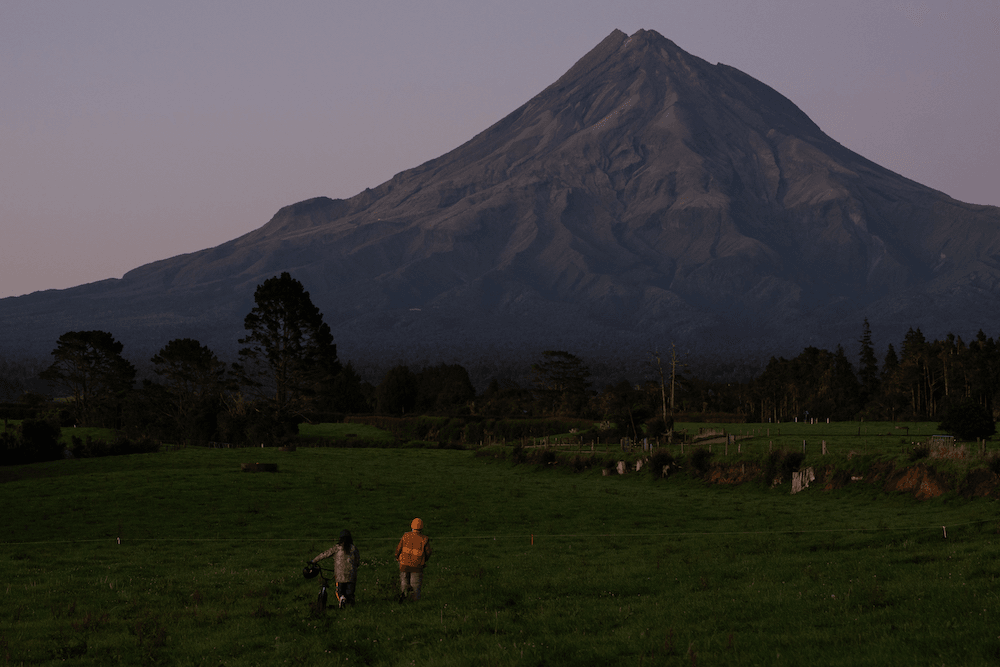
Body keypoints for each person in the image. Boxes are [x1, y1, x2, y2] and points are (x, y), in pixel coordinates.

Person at [311, 529, 361, 608]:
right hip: (351, 575)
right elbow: (357, 561)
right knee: (350, 593)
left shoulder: (337, 548)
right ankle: (350, 607)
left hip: (339, 575)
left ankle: (341, 599)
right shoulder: (354, 548)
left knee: (340, 591)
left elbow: (325, 554)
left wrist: (314, 560)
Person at [394, 517, 432, 601]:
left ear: (412, 526)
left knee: (404, 582)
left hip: (403, 564)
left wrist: (397, 557)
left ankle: (404, 596)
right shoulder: (424, 539)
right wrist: (424, 560)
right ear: (421, 527)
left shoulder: (405, 536)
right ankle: (414, 603)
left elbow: (398, 549)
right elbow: (428, 553)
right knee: (415, 585)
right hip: (417, 566)